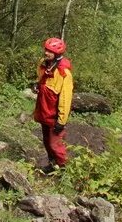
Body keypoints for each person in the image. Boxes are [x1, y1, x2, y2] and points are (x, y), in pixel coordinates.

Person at [33, 36, 73, 172]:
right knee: (46, 141)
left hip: (54, 115)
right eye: (46, 49)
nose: (46, 53)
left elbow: (65, 99)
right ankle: (52, 165)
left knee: (55, 144)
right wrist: (38, 85)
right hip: (44, 111)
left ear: (57, 54)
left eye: (49, 51)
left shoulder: (64, 73)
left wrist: (61, 121)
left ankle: (64, 171)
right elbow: (42, 80)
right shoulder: (44, 64)